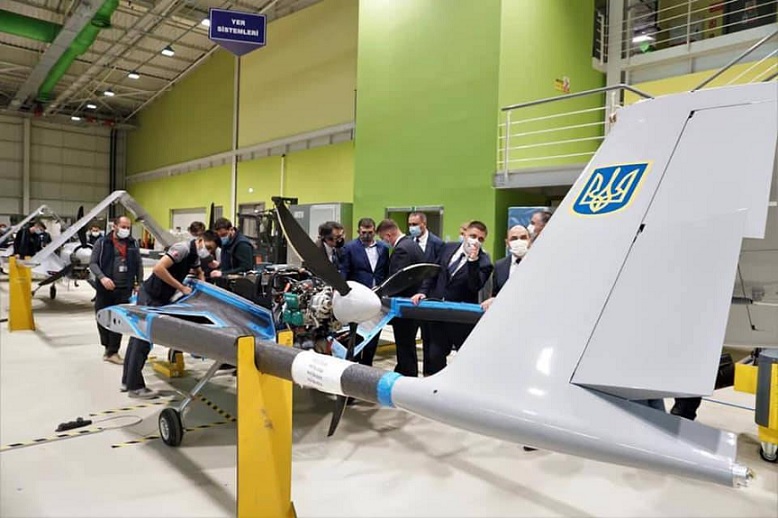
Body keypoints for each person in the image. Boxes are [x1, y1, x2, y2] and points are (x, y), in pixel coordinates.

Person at [121, 231, 219, 398]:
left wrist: (203, 287)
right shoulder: (182, 249)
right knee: (142, 339)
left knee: (139, 337)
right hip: (151, 295)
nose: (208, 252)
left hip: (161, 297)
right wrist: (181, 288)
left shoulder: (194, 255)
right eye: (208, 247)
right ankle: (135, 387)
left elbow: (198, 272)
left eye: (211, 250)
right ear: (200, 240)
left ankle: (128, 381)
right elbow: (159, 268)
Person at [411, 220, 493, 375]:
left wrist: (472, 261)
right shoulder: (448, 248)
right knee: (434, 356)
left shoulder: (484, 262)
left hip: (460, 320)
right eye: (473, 236)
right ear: (465, 234)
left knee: (465, 361)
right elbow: (434, 272)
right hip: (438, 313)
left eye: (480, 239)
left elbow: (474, 286)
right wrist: (423, 291)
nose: (475, 241)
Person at [89, 216, 143, 364]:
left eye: (128, 227)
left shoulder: (133, 243)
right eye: (123, 227)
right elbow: (93, 263)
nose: (126, 230)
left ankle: (113, 351)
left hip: (125, 288)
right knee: (102, 317)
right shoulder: (102, 243)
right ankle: (107, 347)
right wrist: (102, 278)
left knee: (118, 320)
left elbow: (138, 263)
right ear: (115, 226)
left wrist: (139, 282)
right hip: (105, 288)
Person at [377, 218, 426, 376]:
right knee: (408, 344)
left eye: (383, 238)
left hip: (404, 305)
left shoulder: (401, 250)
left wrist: (381, 294)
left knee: (404, 344)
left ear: (388, 235)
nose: (384, 242)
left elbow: (397, 281)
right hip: (414, 304)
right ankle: (404, 370)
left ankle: (406, 374)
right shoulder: (413, 245)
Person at [340, 217, 389, 366]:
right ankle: (353, 363)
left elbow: (385, 270)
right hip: (357, 298)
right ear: (358, 231)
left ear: (374, 232)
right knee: (355, 333)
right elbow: (345, 271)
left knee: (373, 333)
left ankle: (368, 363)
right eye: (363, 232)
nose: (367, 235)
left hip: (376, 297)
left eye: (370, 232)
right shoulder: (349, 248)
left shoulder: (383, 248)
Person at [481, 225, 530, 311]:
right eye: (514, 238)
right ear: (507, 243)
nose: (519, 241)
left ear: (530, 240)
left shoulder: (539, 263)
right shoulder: (500, 266)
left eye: (523, 238)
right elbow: (495, 295)